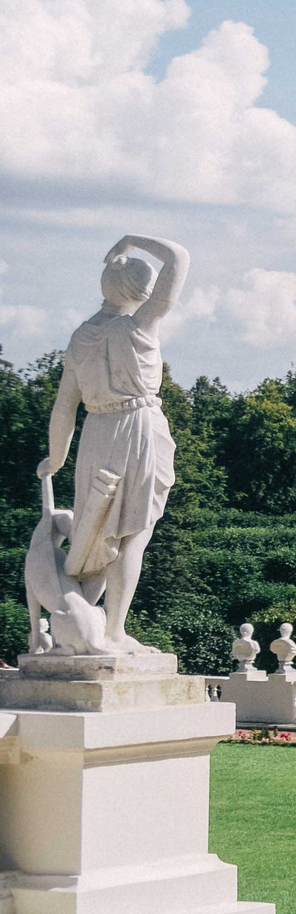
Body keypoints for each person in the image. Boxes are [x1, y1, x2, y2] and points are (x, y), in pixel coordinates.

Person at [38, 234, 190, 652]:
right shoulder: (142, 324)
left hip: (96, 433)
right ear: (142, 293)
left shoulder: (81, 336)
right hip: (137, 428)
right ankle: (114, 630)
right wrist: (130, 240)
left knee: (94, 532)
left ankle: (84, 626)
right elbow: (179, 257)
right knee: (131, 534)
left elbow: (63, 407)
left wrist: (57, 456)